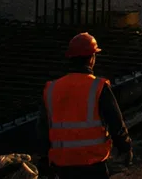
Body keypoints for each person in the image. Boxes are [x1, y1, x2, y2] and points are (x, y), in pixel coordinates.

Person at [39, 32, 131, 177]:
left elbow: (43, 128)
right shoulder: (98, 87)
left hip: (63, 165)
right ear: (92, 58)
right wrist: (125, 147)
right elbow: (115, 122)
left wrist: (44, 159)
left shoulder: (52, 89)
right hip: (92, 164)